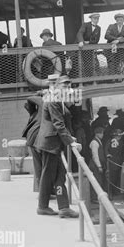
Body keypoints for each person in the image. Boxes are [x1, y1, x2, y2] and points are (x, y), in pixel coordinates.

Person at [34, 76, 81, 218]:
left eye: (68, 86)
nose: (67, 89)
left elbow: (61, 124)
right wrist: (70, 142)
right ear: (57, 86)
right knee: (48, 176)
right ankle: (42, 206)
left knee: (59, 176)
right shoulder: (54, 99)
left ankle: (64, 207)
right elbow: (58, 124)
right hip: (50, 143)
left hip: (53, 143)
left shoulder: (57, 98)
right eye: (64, 86)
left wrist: (69, 137)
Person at [22, 93, 44, 191]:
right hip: (37, 139)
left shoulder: (34, 113)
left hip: (33, 139)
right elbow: (30, 98)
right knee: (42, 165)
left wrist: (39, 93)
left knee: (38, 165)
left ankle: (40, 188)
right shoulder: (42, 108)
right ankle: (43, 189)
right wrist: (41, 94)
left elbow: (29, 99)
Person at [75, 13, 101, 77]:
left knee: (91, 64)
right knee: (79, 64)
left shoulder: (98, 28)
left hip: (90, 49)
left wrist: (89, 42)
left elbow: (96, 40)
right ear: (91, 19)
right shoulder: (85, 25)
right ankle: (79, 80)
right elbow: (80, 33)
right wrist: (81, 41)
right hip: (81, 48)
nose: (96, 20)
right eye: (95, 18)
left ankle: (90, 79)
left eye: (97, 19)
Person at [105, 129, 124, 197]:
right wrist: (107, 154)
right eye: (117, 136)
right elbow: (106, 149)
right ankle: (110, 192)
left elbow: (123, 152)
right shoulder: (109, 141)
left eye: (120, 136)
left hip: (119, 161)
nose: (119, 137)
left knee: (117, 177)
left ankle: (115, 191)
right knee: (111, 177)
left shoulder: (122, 142)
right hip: (112, 161)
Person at [89, 127, 107, 202]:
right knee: (96, 180)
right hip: (95, 165)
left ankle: (96, 197)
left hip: (98, 164)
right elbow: (95, 155)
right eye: (101, 133)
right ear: (97, 134)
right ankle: (94, 198)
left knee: (99, 180)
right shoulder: (94, 142)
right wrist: (99, 166)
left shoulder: (98, 141)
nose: (102, 135)